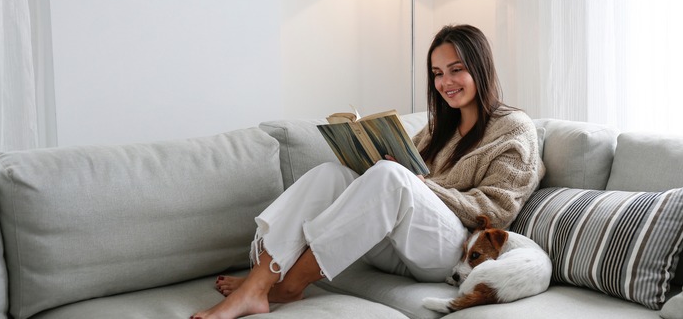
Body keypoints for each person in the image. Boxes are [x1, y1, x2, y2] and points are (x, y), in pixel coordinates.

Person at [191, 24, 544, 319]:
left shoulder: (514, 128)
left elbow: (496, 212)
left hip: (454, 251)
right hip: (402, 245)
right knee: (331, 174)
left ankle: (287, 286)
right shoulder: (439, 127)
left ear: (480, 67)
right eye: (437, 73)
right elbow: (403, 177)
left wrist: (418, 184)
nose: (445, 82)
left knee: (392, 177)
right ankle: (259, 283)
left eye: (456, 69)